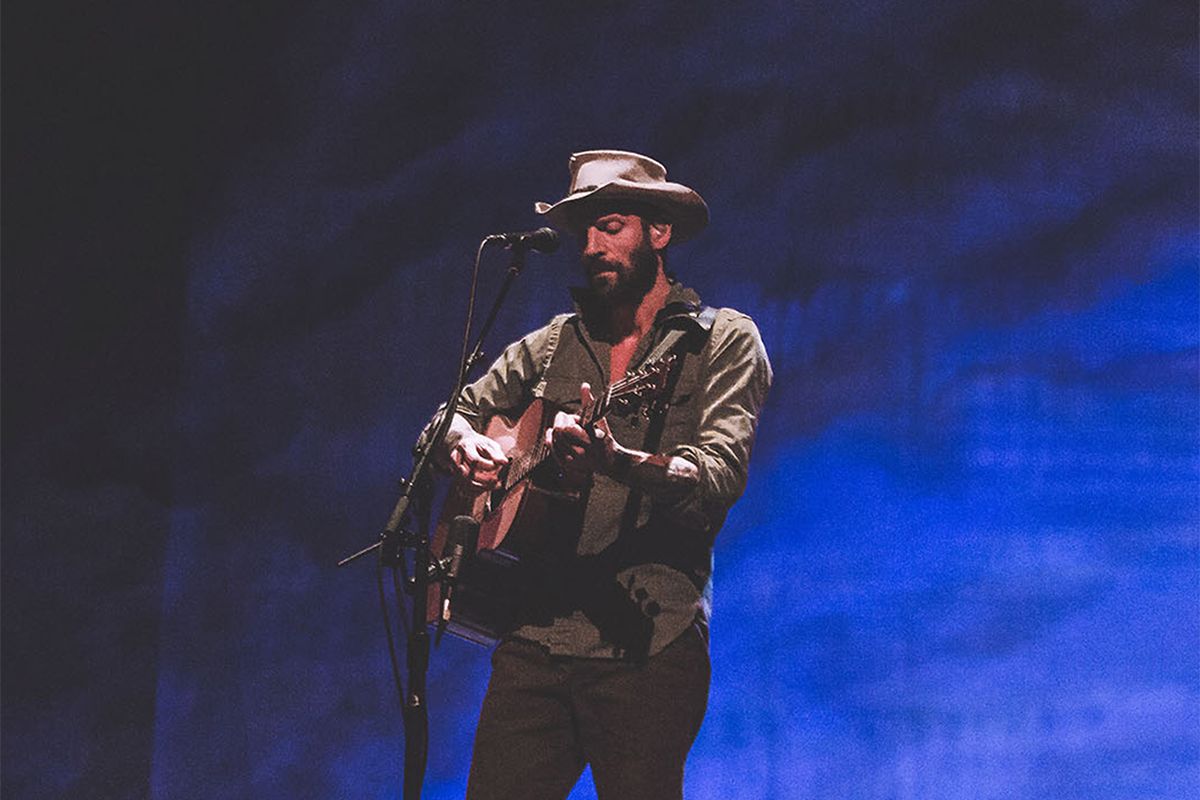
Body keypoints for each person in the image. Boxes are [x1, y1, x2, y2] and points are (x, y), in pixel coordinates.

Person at [427, 150, 772, 800]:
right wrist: (463, 443)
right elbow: (443, 424)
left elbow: (719, 475)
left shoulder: (719, 340)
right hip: (534, 637)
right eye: (583, 231)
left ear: (659, 232)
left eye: (609, 226)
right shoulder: (553, 342)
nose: (590, 247)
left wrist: (616, 461)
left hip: (647, 643)